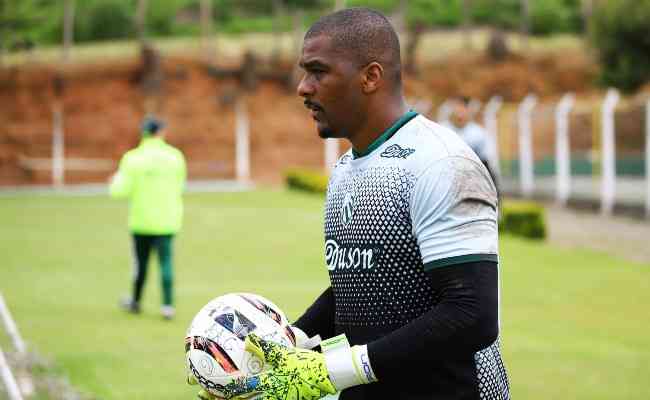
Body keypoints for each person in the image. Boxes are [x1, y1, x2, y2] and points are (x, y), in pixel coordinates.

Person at [190, 7, 509, 400]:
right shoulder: (346, 169)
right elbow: (362, 286)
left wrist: (331, 370)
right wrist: (285, 345)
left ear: (370, 76)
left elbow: (472, 314)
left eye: (318, 71)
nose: (303, 87)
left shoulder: (441, 163)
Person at [110, 116, 186, 320]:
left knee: (140, 265)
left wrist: (115, 180)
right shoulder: (175, 156)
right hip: (167, 220)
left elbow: (119, 190)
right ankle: (167, 306)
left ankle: (135, 301)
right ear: (160, 132)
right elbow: (181, 186)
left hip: (141, 220)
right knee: (166, 263)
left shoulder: (132, 158)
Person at [447, 96, 500, 193]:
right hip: (448, 177)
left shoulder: (478, 134)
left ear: (468, 110)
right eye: (457, 108)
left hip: (472, 180)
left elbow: (486, 162)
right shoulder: (444, 130)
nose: (460, 113)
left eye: (463, 109)